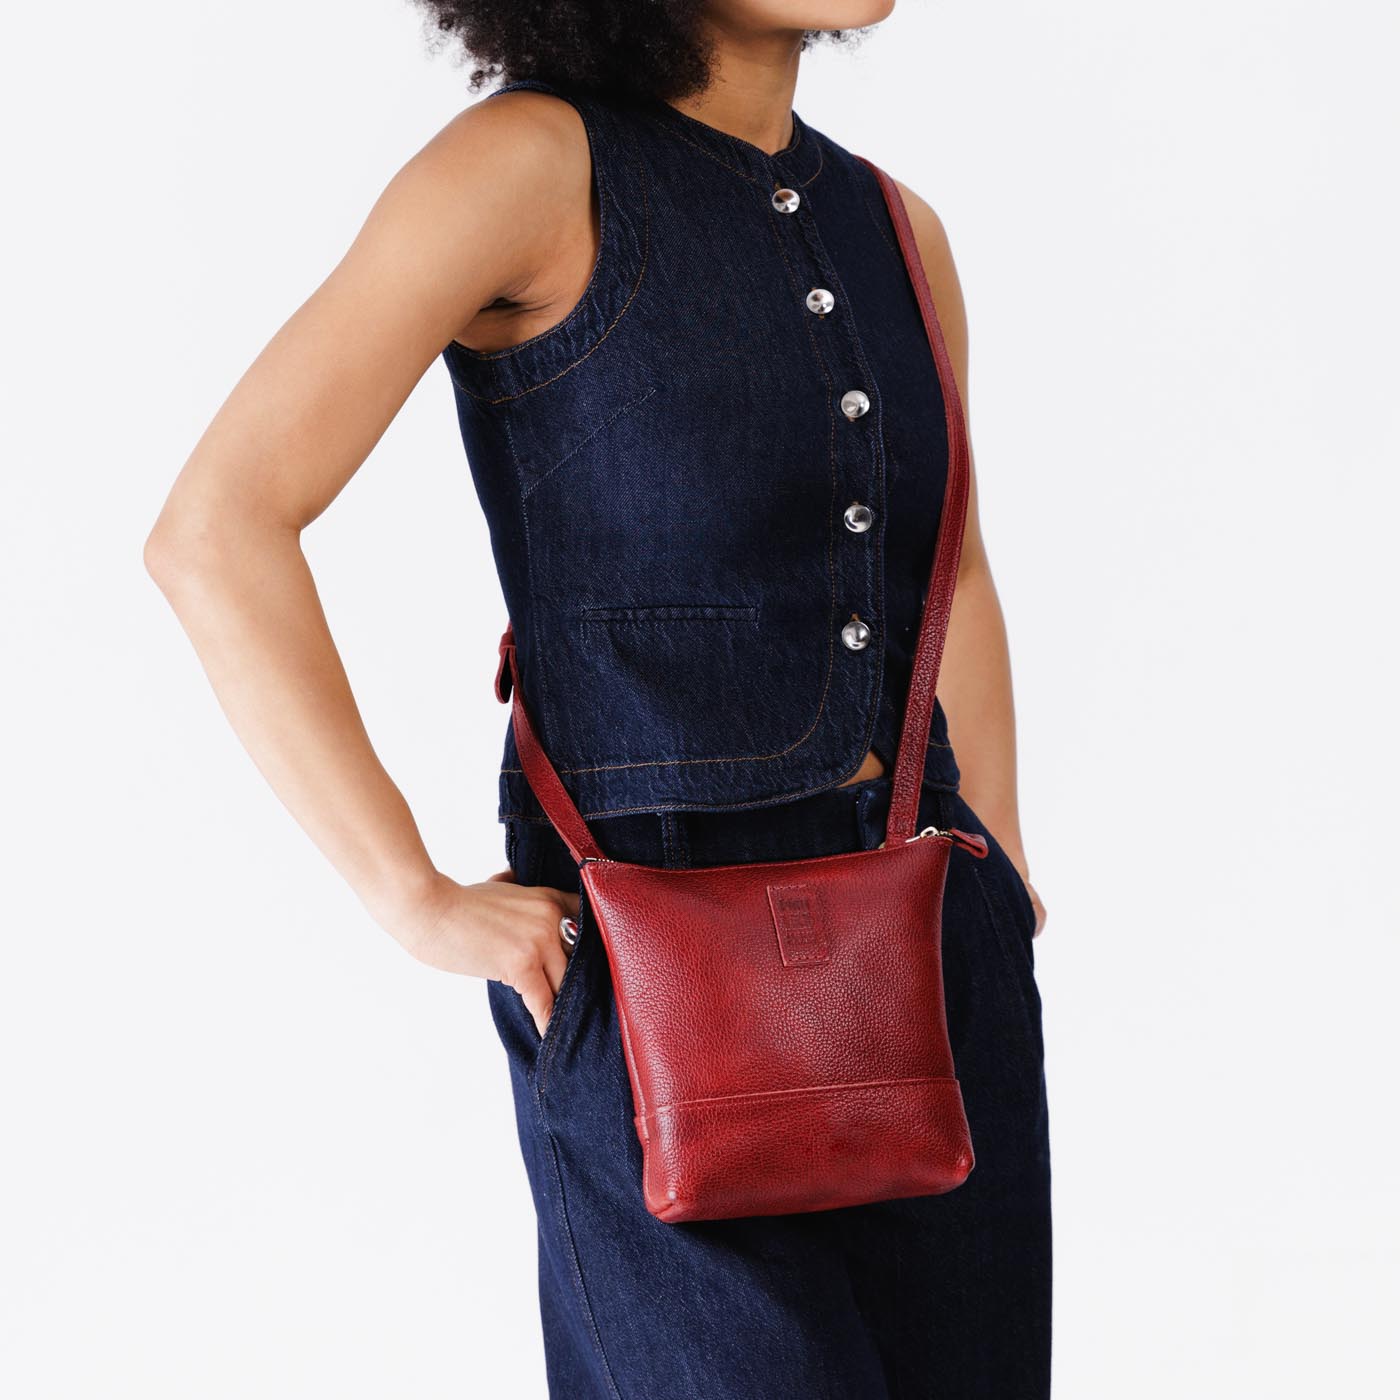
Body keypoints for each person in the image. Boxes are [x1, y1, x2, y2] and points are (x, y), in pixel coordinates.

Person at [145, 2, 1051, 1395]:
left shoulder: (899, 229)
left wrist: (997, 859)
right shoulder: (526, 168)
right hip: (647, 969)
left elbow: (955, 569)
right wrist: (411, 895)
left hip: (930, 957)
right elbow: (217, 527)